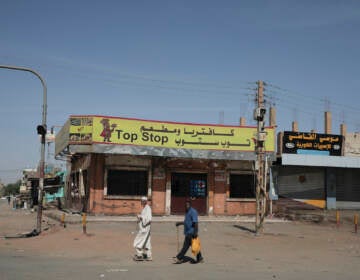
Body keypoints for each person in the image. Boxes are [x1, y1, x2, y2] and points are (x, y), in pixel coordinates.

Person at [174, 199, 204, 264]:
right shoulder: (187, 212)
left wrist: (195, 232)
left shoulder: (193, 212)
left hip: (192, 233)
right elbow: (186, 222)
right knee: (194, 246)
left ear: (190, 204)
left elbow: (195, 223)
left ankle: (178, 258)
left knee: (185, 246)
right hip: (188, 232)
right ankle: (200, 258)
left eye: (188, 204)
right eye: (186, 204)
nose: (186, 205)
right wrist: (180, 223)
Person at [133, 196, 152, 261]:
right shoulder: (145, 208)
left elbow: (149, 219)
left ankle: (139, 255)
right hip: (145, 229)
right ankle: (148, 256)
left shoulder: (148, 208)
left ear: (145, 201)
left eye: (142, 201)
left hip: (144, 229)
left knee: (138, 241)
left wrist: (140, 217)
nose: (141, 202)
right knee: (146, 242)